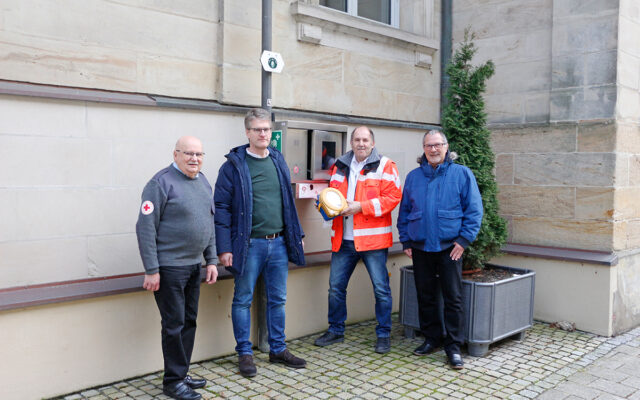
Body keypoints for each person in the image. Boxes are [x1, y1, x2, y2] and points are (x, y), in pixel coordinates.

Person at [214, 108, 306, 378]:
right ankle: (244, 353)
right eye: (257, 129)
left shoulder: (277, 159)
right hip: (249, 245)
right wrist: (224, 248)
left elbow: (287, 202)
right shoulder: (233, 165)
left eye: (266, 129)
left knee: (278, 299)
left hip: (278, 244)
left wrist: (295, 235)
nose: (263, 133)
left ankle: (277, 349)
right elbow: (221, 208)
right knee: (242, 299)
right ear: (247, 133)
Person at [136, 136, 219, 400]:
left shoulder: (203, 181)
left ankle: (181, 374)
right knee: (173, 324)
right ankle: (172, 382)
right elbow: (145, 228)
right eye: (188, 153)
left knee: (189, 322)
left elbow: (209, 224)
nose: (194, 159)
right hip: (170, 268)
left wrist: (212, 260)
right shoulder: (159, 184)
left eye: (199, 154)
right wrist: (151, 269)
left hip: (195, 265)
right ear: (175, 154)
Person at [397, 130, 483, 370]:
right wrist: (406, 241)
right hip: (421, 247)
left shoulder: (462, 174)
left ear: (446, 147)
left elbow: (474, 210)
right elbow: (404, 211)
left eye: (437, 145)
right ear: (423, 149)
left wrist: (464, 240)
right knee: (425, 295)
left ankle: (454, 346)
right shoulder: (414, 177)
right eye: (428, 146)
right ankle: (432, 338)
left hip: (449, 248)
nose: (433, 150)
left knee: (453, 298)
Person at [314, 126, 401, 354]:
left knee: (381, 289)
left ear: (372, 143)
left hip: (373, 242)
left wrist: (360, 206)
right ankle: (335, 330)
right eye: (357, 140)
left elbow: (392, 198)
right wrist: (324, 205)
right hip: (343, 239)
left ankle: (383, 334)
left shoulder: (385, 166)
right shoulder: (340, 165)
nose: (361, 143)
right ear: (351, 143)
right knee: (335, 288)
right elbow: (333, 196)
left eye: (365, 140)